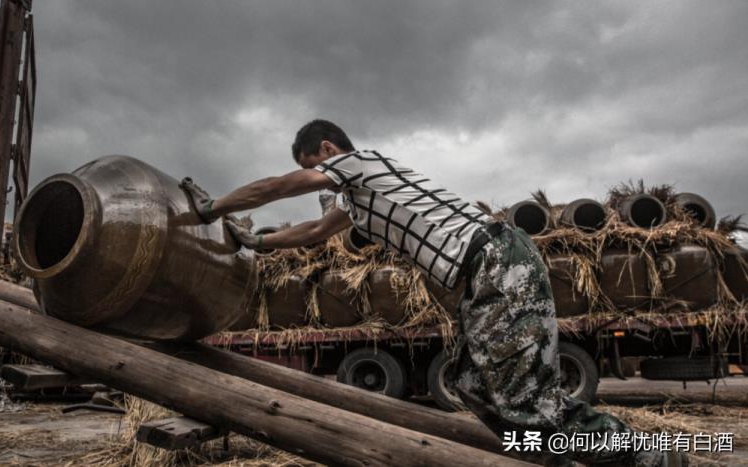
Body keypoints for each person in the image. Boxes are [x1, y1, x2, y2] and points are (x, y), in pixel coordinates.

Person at [181, 119, 687, 467]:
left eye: (315, 165)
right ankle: (549, 454)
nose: (324, 183)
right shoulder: (358, 202)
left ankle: (648, 455)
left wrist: (213, 208)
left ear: (329, 151)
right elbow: (313, 231)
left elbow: (278, 186)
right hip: (481, 276)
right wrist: (258, 242)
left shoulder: (360, 163)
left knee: (526, 398)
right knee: (470, 383)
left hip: (497, 259)